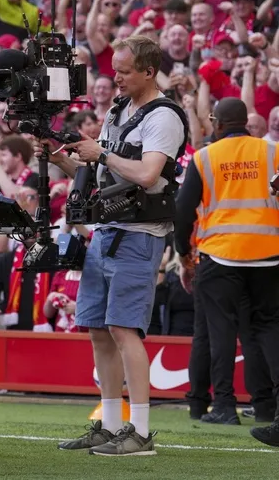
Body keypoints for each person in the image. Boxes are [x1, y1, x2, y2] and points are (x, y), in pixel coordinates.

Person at [45, 35, 187, 456]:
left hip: (140, 235)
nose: (116, 79)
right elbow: (98, 176)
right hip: (106, 231)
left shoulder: (165, 116)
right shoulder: (120, 110)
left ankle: (139, 433)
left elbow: (147, 175)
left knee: (125, 330)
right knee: (100, 333)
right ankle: (107, 425)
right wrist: (62, 159)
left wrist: (101, 152)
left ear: (148, 71)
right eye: (115, 70)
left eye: (124, 71)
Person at [173, 98, 279, 447]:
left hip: (220, 255)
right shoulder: (272, 151)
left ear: (216, 123)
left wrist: (183, 252)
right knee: (268, 330)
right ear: (246, 122)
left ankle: (223, 405)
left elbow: (184, 209)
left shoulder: (205, 157)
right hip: (268, 252)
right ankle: (269, 407)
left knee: (220, 332)